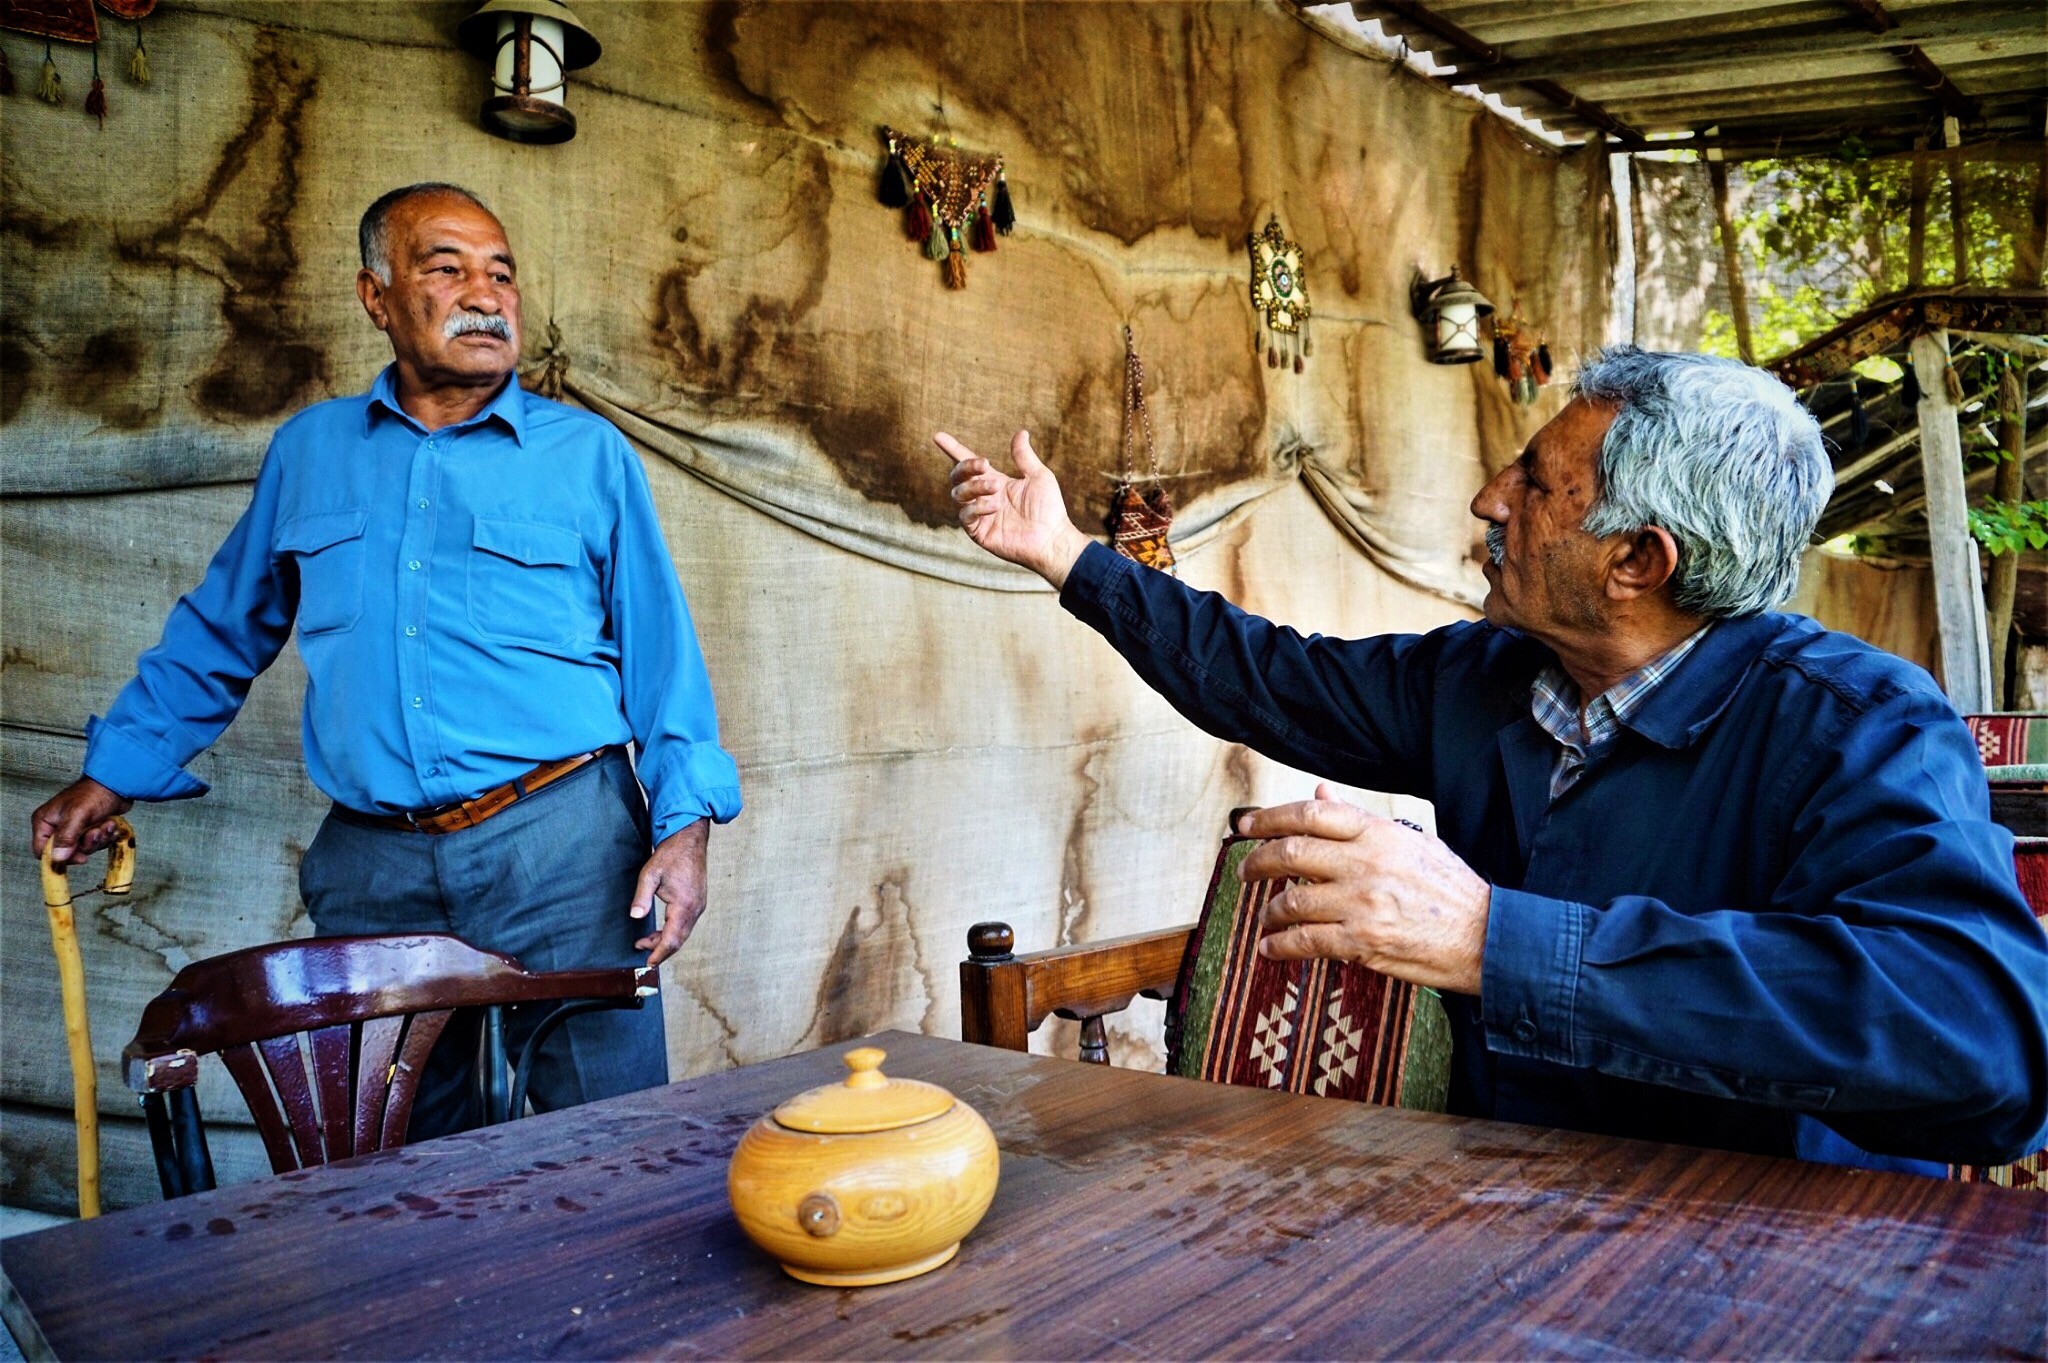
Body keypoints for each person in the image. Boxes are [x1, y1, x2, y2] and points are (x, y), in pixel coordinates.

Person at [936, 346, 2048, 1173]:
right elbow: (1268, 675)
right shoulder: (1485, 678)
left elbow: (1980, 1046)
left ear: (1636, 559)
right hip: (1494, 1210)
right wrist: (1074, 560)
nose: (1487, 501)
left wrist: (1488, 937)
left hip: (1764, 1263)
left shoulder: (1861, 725)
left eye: (1532, 481)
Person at [30, 183, 742, 1136]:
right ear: (376, 297)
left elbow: (663, 656)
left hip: (565, 846)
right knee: (401, 1156)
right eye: (446, 268)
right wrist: (110, 775)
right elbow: (223, 629)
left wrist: (685, 828)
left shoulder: (588, 456)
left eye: (501, 273)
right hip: (374, 862)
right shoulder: (310, 451)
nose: (485, 294)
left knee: (612, 1144)